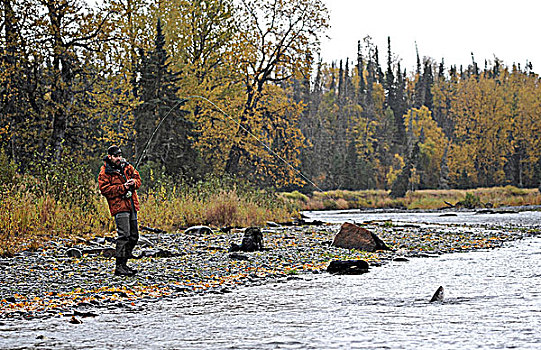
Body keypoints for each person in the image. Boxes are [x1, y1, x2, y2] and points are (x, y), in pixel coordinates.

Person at [98, 145, 142, 276]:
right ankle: (119, 266)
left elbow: (138, 180)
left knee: (134, 236)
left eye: (119, 155)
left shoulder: (127, 167)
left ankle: (125, 263)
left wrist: (133, 183)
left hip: (131, 205)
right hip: (119, 207)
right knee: (124, 236)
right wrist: (123, 187)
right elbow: (105, 190)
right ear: (110, 157)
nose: (118, 158)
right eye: (116, 156)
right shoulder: (104, 172)